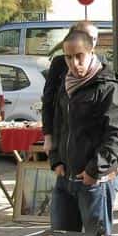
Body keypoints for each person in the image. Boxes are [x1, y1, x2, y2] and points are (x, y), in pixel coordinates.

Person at [48, 32, 118, 236]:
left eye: (79, 56)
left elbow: (117, 136)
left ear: (91, 52)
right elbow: (59, 124)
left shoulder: (108, 87)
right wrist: (55, 159)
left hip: (95, 181)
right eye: (68, 57)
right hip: (66, 178)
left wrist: (94, 170)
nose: (74, 63)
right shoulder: (66, 85)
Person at [41, 20, 99, 153]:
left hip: (90, 140)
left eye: (95, 38)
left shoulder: (102, 70)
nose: (92, 41)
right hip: (64, 132)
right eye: (89, 37)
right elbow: (49, 99)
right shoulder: (59, 64)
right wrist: (48, 136)